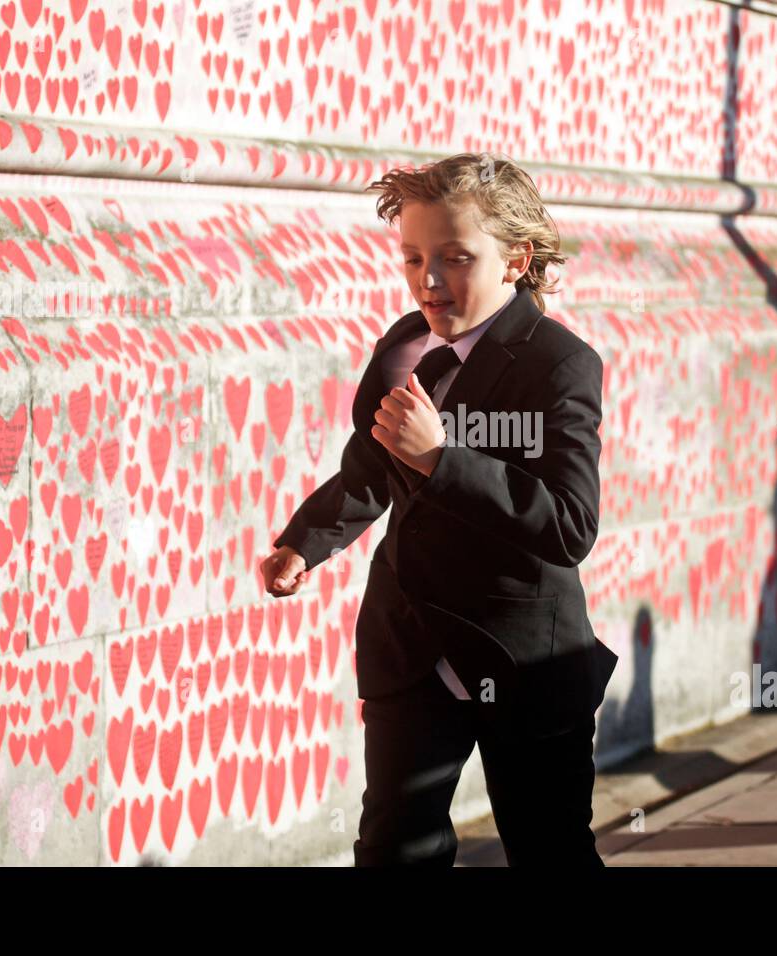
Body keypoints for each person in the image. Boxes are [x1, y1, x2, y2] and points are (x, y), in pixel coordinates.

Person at [259, 152, 616, 866]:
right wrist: (305, 542)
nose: (427, 280)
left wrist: (444, 460)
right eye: (413, 257)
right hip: (410, 647)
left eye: (455, 258)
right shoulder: (404, 344)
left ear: (516, 259)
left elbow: (571, 524)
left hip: (521, 656)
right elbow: (371, 467)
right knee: (394, 848)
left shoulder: (559, 363)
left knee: (549, 850)